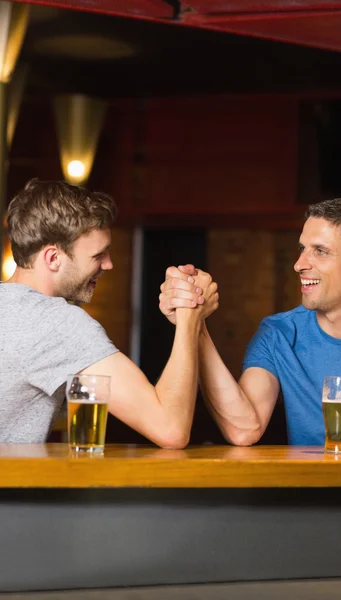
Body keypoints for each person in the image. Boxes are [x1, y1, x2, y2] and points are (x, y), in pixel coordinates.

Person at [159, 197, 341, 454]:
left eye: (320, 251)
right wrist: (196, 320)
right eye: (302, 249)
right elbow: (244, 429)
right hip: (308, 489)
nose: (299, 264)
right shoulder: (278, 333)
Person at [1, 178, 218, 446]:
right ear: (53, 258)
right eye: (98, 255)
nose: (109, 264)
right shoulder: (56, 323)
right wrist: (189, 314)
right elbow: (170, 428)